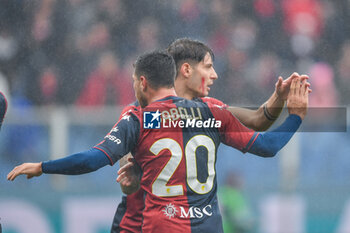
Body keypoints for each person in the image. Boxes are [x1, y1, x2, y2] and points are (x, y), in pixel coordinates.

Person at [8, 50, 309, 233]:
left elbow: (92, 159)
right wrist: (295, 116)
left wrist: (43, 166)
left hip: (162, 226)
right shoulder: (212, 111)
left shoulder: (139, 119)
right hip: (208, 227)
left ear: (142, 82)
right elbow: (268, 147)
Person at [112, 38, 310, 233]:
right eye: (208, 67)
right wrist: (295, 117)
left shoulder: (209, 110)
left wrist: (279, 97)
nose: (214, 75)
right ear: (186, 70)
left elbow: (258, 119)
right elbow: (128, 185)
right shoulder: (145, 115)